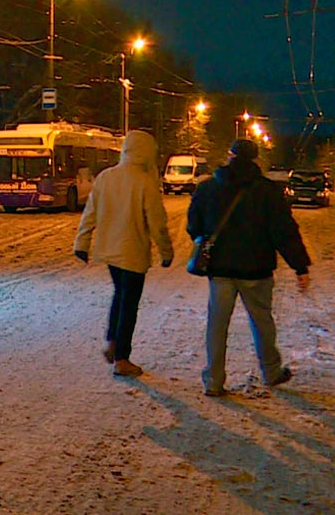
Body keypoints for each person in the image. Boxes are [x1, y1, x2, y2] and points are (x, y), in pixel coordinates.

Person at [186, 138, 311, 397]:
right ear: (255, 159)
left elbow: (193, 226)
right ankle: (272, 372)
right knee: (262, 321)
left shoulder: (208, 188)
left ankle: (214, 380)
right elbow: (284, 232)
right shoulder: (268, 191)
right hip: (257, 270)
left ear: (229, 156)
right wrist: (300, 265)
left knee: (217, 324)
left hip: (220, 270)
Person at [73, 130, 174, 378]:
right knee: (129, 302)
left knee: (120, 295)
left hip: (110, 251)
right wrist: (166, 251)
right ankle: (122, 358)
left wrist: (82, 243)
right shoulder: (145, 181)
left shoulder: (106, 177)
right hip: (133, 252)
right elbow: (157, 223)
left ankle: (112, 340)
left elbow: (90, 213)